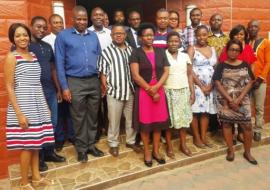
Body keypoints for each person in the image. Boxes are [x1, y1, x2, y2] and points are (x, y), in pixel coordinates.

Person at [5, 23, 54, 190]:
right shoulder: (12, 57)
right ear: (13, 38)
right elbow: (9, 86)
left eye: (24, 34)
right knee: (27, 146)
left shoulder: (32, 55)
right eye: (17, 35)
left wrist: (45, 106)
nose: (22, 38)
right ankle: (24, 183)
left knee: (36, 143)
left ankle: (37, 178)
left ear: (29, 36)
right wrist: (19, 114)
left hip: (37, 104)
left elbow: (37, 82)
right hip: (23, 105)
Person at [55, 5, 104, 163]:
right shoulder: (63, 36)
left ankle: (91, 145)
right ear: (73, 19)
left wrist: (102, 80)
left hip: (93, 80)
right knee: (78, 117)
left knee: (92, 115)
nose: (82, 22)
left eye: (84, 19)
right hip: (74, 81)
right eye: (79, 19)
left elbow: (100, 58)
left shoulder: (93, 36)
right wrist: (64, 87)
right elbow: (59, 64)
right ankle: (82, 149)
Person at [130, 23, 170, 167]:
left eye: (151, 35)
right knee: (146, 125)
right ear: (140, 37)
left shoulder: (160, 51)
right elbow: (135, 75)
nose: (149, 37)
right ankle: (147, 151)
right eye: (146, 35)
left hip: (158, 91)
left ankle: (156, 151)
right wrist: (150, 89)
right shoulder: (136, 53)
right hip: (144, 93)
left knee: (158, 125)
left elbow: (166, 71)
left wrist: (157, 88)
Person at [98, 24, 141, 157]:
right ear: (111, 36)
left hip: (130, 90)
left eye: (121, 33)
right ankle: (113, 143)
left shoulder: (132, 50)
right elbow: (102, 73)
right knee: (114, 119)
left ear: (125, 35)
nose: (118, 35)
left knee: (130, 119)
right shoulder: (106, 52)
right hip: (115, 91)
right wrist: (106, 87)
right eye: (115, 33)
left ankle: (130, 140)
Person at [29, 16, 66, 171]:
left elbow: (53, 69)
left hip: (50, 91)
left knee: (52, 123)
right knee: (38, 127)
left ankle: (49, 152)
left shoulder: (47, 46)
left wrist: (58, 89)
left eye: (44, 27)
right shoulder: (25, 45)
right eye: (38, 26)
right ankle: (39, 159)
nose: (41, 30)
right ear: (31, 26)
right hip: (34, 93)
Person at [213, 39, 257, 165]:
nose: (234, 52)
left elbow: (250, 81)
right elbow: (217, 82)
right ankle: (230, 150)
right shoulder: (221, 65)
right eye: (231, 49)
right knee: (227, 125)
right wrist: (230, 99)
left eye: (237, 50)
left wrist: (238, 99)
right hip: (226, 101)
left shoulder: (245, 64)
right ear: (227, 50)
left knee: (247, 126)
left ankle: (247, 152)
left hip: (242, 100)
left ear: (240, 52)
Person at [219, 24, 256, 144]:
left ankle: (240, 134)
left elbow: (251, 65)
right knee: (229, 115)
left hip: (244, 86)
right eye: (236, 34)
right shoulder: (227, 49)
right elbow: (222, 69)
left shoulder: (248, 48)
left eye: (241, 34)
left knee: (242, 113)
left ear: (245, 36)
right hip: (228, 89)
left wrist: (251, 80)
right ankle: (233, 136)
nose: (239, 36)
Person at [43, 14, 75, 152]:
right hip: (54, 81)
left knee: (71, 109)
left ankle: (72, 135)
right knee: (59, 111)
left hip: (70, 78)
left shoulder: (69, 36)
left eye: (60, 22)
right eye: (55, 22)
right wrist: (58, 87)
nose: (58, 25)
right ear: (50, 25)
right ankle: (60, 138)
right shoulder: (46, 41)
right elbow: (51, 65)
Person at [164, 31, 195, 157]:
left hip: (183, 91)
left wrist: (192, 92)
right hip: (168, 91)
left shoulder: (185, 56)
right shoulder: (162, 55)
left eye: (176, 41)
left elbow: (189, 75)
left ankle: (183, 145)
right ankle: (169, 146)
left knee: (183, 121)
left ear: (180, 42)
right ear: (167, 43)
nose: (173, 43)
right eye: (171, 41)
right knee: (169, 121)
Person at [187, 25, 217, 148]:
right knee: (195, 111)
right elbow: (188, 70)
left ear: (208, 35)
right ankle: (196, 137)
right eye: (198, 35)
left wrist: (211, 85)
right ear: (195, 36)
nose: (201, 37)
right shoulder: (192, 48)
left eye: (204, 34)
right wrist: (201, 86)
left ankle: (204, 136)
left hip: (210, 86)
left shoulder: (213, 49)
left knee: (205, 112)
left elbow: (216, 69)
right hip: (196, 84)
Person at [247, 20, 270, 141]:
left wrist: (260, 79)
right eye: (250, 27)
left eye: (255, 27)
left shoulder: (266, 42)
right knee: (247, 107)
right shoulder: (246, 42)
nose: (252, 29)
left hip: (260, 81)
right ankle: (247, 129)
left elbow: (268, 62)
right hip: (247, 82)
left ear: (259, 28)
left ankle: (258, 130)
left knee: (259, 107)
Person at [207, 13, 229, 135]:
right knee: (211, 98)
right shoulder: (206, 37)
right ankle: (212, 124)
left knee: (222, 97)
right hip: (210, 72)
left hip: (224, 72)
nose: (216, 21)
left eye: (219, 19)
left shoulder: (227, 38)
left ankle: (223, 123)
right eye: (214, 19)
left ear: (222, 22)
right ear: (210, 22)